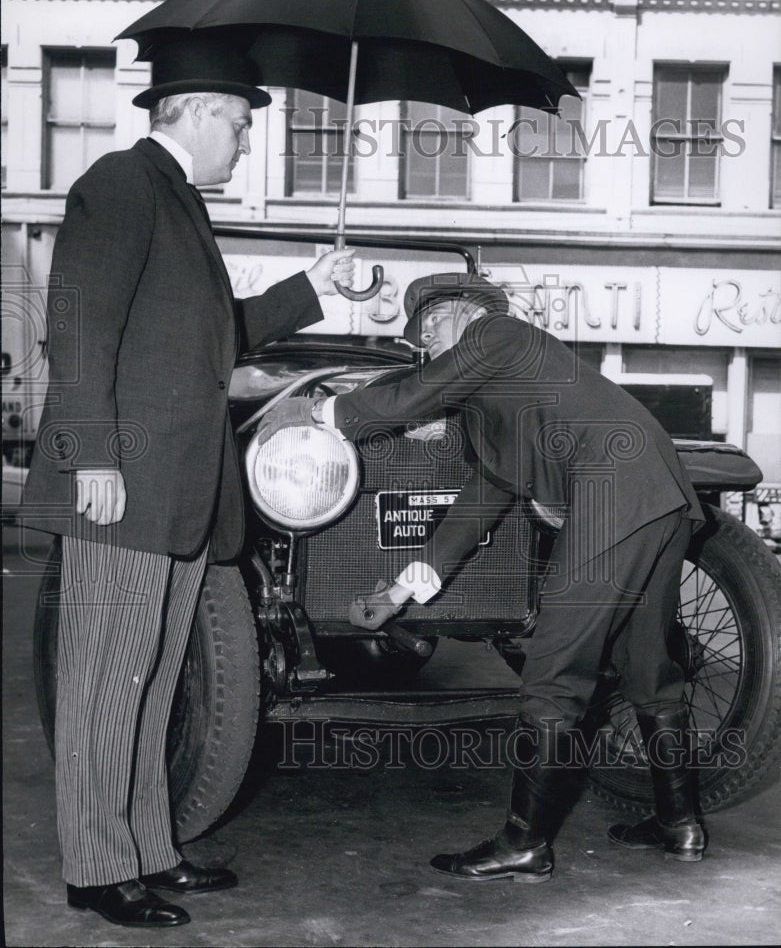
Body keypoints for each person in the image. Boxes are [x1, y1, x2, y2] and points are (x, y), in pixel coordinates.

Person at [21, 38, 354, 928]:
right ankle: (97, 870)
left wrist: (309, 286)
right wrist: (92, 455)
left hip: (172, 491)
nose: (245, 143)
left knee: (151, 682)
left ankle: (148, 850)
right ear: (199, 109)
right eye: (240, 125)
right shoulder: (122, 184)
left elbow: (208, 339)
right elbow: (77, 323)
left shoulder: (175, 201)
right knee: (103, 684)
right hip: (123, 484)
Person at [258, 271, 708, 883]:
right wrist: (400, 591)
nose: (423, 340)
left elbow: (410, 397)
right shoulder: (502, 399)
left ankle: (525, 843)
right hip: (660, 496)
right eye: (418, 334)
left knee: (554, 672)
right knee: (648, 664)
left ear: (467, 310)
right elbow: (479, 503)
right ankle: (679, 823)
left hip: (614, 492)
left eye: (432, 322)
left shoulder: (499, 335)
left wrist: (317, 411)